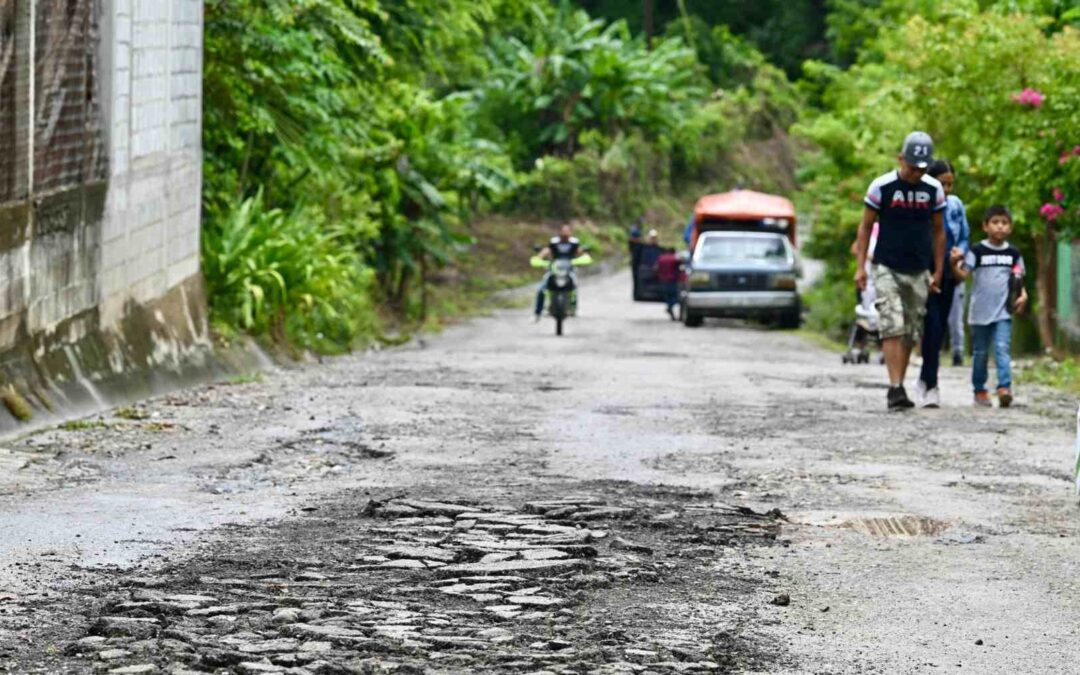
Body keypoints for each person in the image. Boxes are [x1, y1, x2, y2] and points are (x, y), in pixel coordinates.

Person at [853, 131, 947, 410]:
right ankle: (895, 387)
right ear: (900, 159)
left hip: (919, 270)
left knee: (910, 330)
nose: (917, 172)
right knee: (891, 323)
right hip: (886, 266)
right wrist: (861, 267)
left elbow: (939, 232)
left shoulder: (933, 189)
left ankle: (900, 385)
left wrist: (938, 270)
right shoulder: (882, 186)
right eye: (912, 166)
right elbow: (865, 227)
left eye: (922, 168)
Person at [950, 205, 1027, 408]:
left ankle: (1004, 388)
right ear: (986, 226)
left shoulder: (1013, 254)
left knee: (1002, 349)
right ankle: (980, 389)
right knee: (980, 353)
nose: (1000, 227)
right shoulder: (977, 251)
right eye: (995, 222)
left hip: (1003, 311)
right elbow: (963, 275)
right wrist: (953, 265)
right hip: (979, 312)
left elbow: (1019, 279)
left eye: (1004, 223)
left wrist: (1023, 296)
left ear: (1010, 227)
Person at [914, 160, 970, 407]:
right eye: (942, 183)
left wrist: (960, 253)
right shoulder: (922, 202)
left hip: (949, 272)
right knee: (932, 326)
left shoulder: (956, 205)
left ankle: (926, 379)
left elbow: (965, 236)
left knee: (940, 329)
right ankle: (930, 382)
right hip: (925, 272)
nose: (946, 189)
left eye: (950, 184)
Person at [534, 223, 587, 321]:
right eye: (563, 231)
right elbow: (546, 251)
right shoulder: (554, 242)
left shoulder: (574, 243)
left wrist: (582, 259)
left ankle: (573, 307)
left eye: (567, 231)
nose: (565, 233)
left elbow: (581, 253)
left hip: (569, 269)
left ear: (570, 232)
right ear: (560, 232)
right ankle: (537, 313)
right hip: (554, 269)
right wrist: (538, 258)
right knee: (542, 288)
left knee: (574, 285)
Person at [655, 247, 680, 320]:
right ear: (673, 252)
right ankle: (669, 307)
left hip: (663, 281)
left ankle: (670, 310)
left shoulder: (661, 258)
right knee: (676, 297)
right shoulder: (674, 258)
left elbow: (655, 268)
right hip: (672, 281)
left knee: (668, 297)